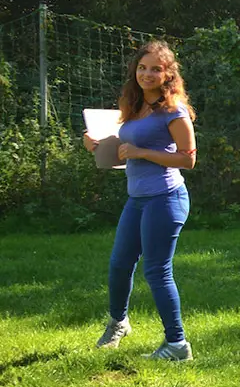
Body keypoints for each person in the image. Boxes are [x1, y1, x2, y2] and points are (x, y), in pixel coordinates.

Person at [83, 40, 197, 361]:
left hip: (166, 198)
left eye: (155, 69)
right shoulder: (132, 106)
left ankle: (177, 345)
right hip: (137, 199)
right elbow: (124, 153)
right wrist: (97, 146)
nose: (147, 74)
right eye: (142, 67)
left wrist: (142, 152)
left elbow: (188, 159)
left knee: (158, 272)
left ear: (168, 74)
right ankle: (118, 323)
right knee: (119, 264)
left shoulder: (174, 111)